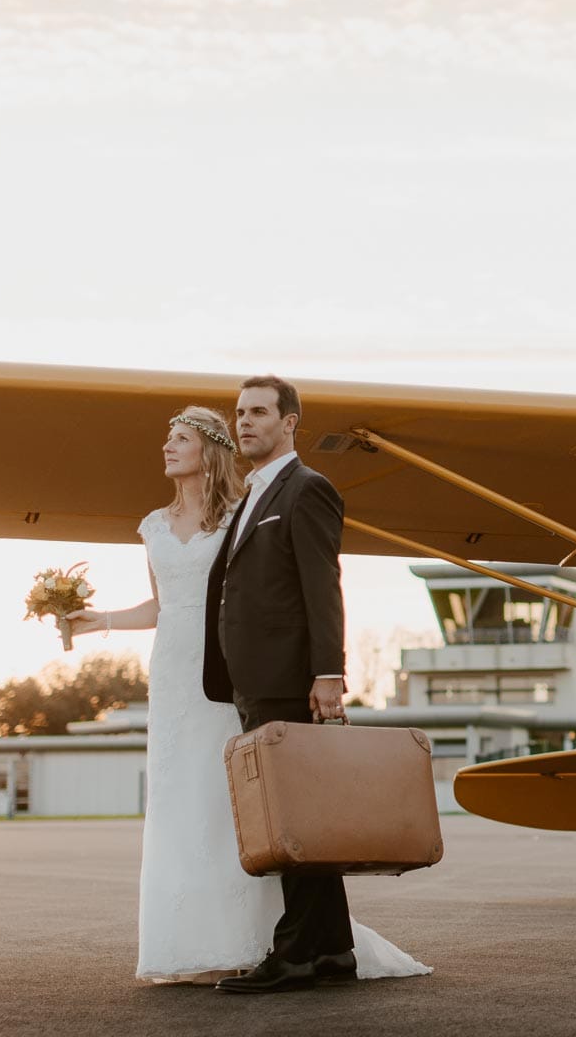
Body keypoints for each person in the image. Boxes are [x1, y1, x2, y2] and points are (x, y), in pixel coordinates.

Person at [69, 402, 426, 987]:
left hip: (232, 673)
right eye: (167, 437)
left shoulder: (242, 513)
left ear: (207, 449)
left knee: (235, 801)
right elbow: (162, 606)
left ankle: (258, 938)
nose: (166, 447)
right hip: (172, 673)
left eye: (178, 437)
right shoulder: (153, 525)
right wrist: (99, 618)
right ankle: (191, 943)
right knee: (179, 801)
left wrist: (320, 667)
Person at [205, 375, 383, 994]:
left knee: (292, 822)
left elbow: (321, 585)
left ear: (290, 423)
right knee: (297, 817)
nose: (244, 422)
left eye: (258, 412)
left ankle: (297, 955)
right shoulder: (251, 494)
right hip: (255, 680)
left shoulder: (308, 489)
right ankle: (332, 951)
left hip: (290, 681)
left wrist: (328, 673)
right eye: (239, 413)